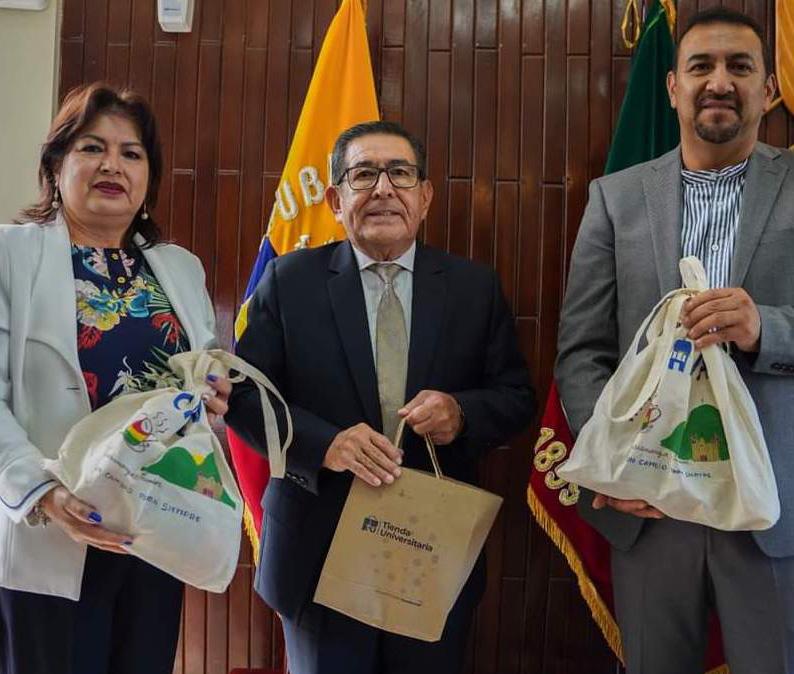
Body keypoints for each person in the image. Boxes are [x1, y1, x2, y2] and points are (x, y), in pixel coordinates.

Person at [226, 120, 534, 674]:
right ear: (335, 200)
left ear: (425, 196)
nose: (384, 189)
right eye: (363, 174)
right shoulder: (289, 281)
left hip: (427, 553)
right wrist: (325, 444)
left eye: (400, 173)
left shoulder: (474, 288)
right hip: (316, 552)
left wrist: (462, 413)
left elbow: (515, 396)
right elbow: (244, 396)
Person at [556, 8, 794, 674]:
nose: (719, 82)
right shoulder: (615, 199)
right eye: (701, 66)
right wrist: (613, 463)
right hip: (651, 505)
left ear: (768, 89)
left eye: (739, 67)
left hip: (773, 508)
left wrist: (766, 328)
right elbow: (581, 351)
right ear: (671, 87)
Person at [0, 82, 232, 674]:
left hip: (156, 528)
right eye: (91, 148)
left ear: (149, 177)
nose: (113, 165)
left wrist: (211, 387)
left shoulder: (179, 267)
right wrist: (42, 493)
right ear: (56, 166)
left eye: (132, 153)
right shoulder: (10, 256)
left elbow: (201, 362)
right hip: (52, 527)